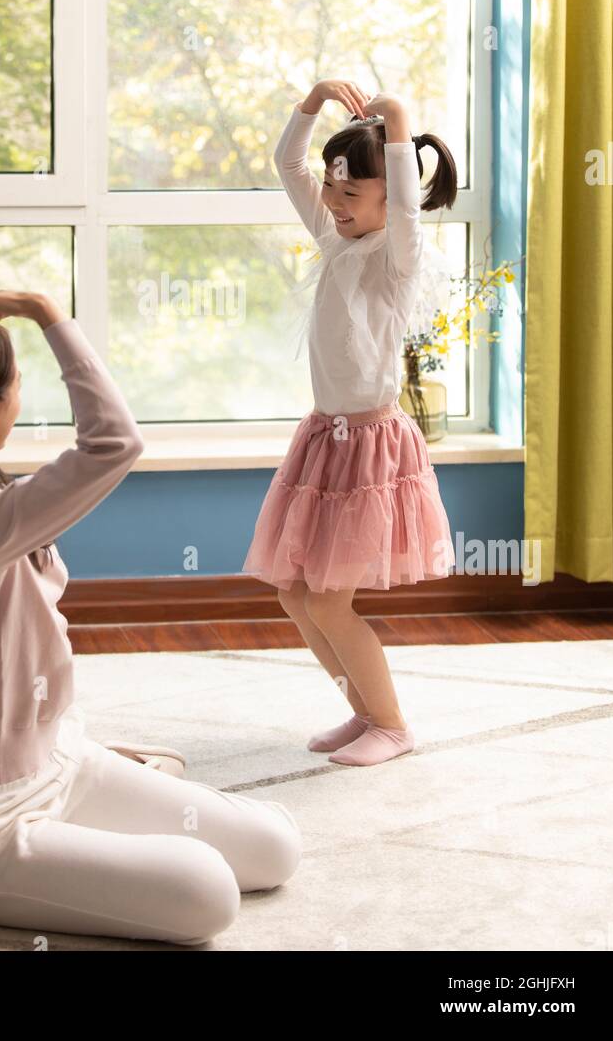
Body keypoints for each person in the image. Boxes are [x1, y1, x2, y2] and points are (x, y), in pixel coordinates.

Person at [0, 229, 301, 946]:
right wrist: (43, 311)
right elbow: (115, 441)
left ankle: (123, 783)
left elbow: (90, 441)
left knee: (274, 850)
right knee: (209, 893)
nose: (16, 405)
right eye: (13, 395)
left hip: (61, 763)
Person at [243, 80, 458, 767]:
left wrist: (394, 118)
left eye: (350, 192)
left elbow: (402, 190)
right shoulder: (335, 239)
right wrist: (310, 105)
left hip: (370, 444)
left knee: (332, 601)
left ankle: (392, 724)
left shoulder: (396, 258)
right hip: (324, 439)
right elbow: (287, 165)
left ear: (389, 202)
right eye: (332, 188)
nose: (333, 202)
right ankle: (363, 712)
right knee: (296, 594)